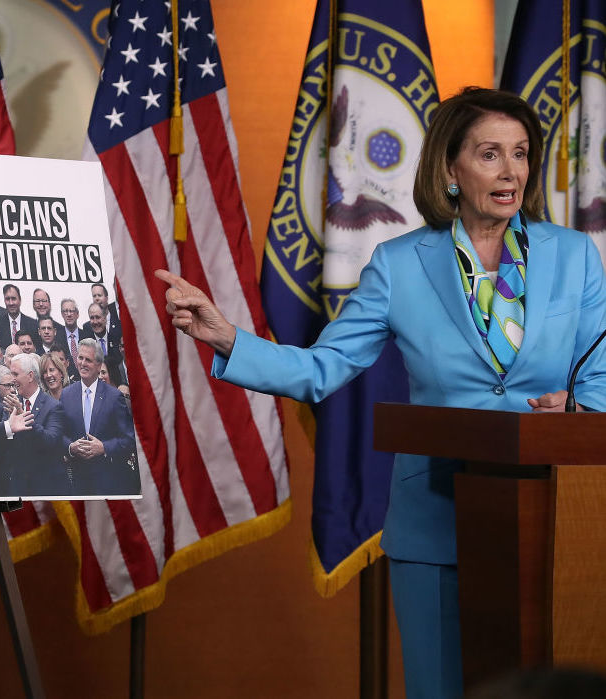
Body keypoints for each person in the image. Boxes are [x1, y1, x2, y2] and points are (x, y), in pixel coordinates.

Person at [155, 87, 606, 699]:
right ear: (450, 168)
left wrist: (577, 409)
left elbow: (598, 381)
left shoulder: (577, 256)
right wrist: (229, 338)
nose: (512, 172)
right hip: (435, 520)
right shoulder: (399, 264)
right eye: (490, 154)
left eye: (521, 154)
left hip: (556, 524)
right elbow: (323, 368)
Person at [59, 338, 138, 496]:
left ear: (98, 365)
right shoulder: (66, 394)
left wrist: (104, 448)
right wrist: (70, 447)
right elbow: (60, 434)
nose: (82, 363)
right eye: (80, 358)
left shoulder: (114, 396)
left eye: (88, 360)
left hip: (108, 481)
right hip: (79, 481)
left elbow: (129, 439)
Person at [4, 353, 66, 495]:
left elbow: (50, 441)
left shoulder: (53, 406)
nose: (12, 379)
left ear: (30, 376)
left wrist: (23, 416)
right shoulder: (11, 404)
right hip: (18, 486)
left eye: (15, 374)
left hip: (45, 487)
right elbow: (5, 442)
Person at [0, 284, 37, 349]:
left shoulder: (33, 324)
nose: (11, 303)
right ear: (4, 301)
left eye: (13, 299)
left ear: (20, 300)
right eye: (7, 299)